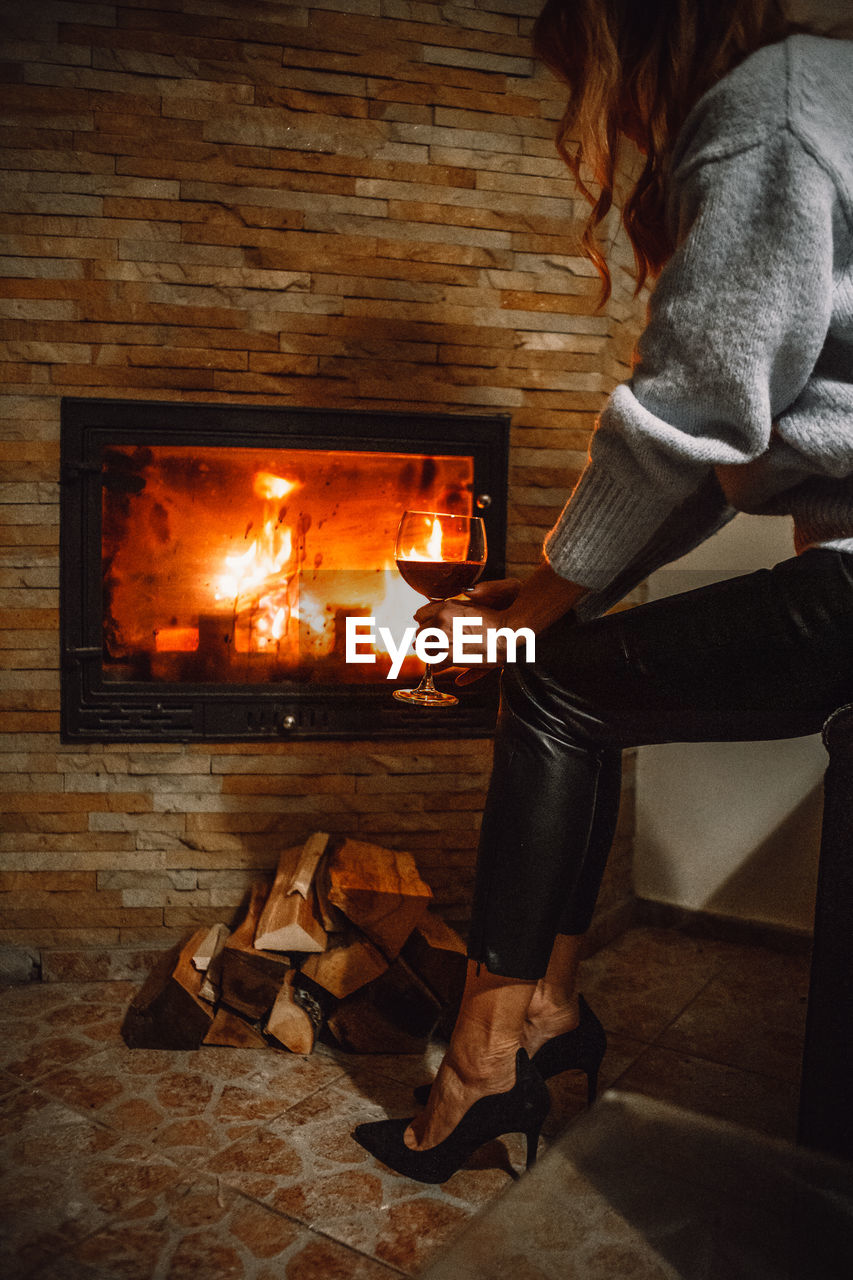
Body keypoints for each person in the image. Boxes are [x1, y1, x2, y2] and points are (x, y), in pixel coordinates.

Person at [353, 0, 853, 1184]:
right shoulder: (828, 85)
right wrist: (557, 587)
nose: (597, 115)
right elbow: (714, 456)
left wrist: (543, 605)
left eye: (587, 73)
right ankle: (549, 1015)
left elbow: (686, 413)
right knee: (574, 673)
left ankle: (481, 1062)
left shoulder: (774, 107)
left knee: (546, 691)